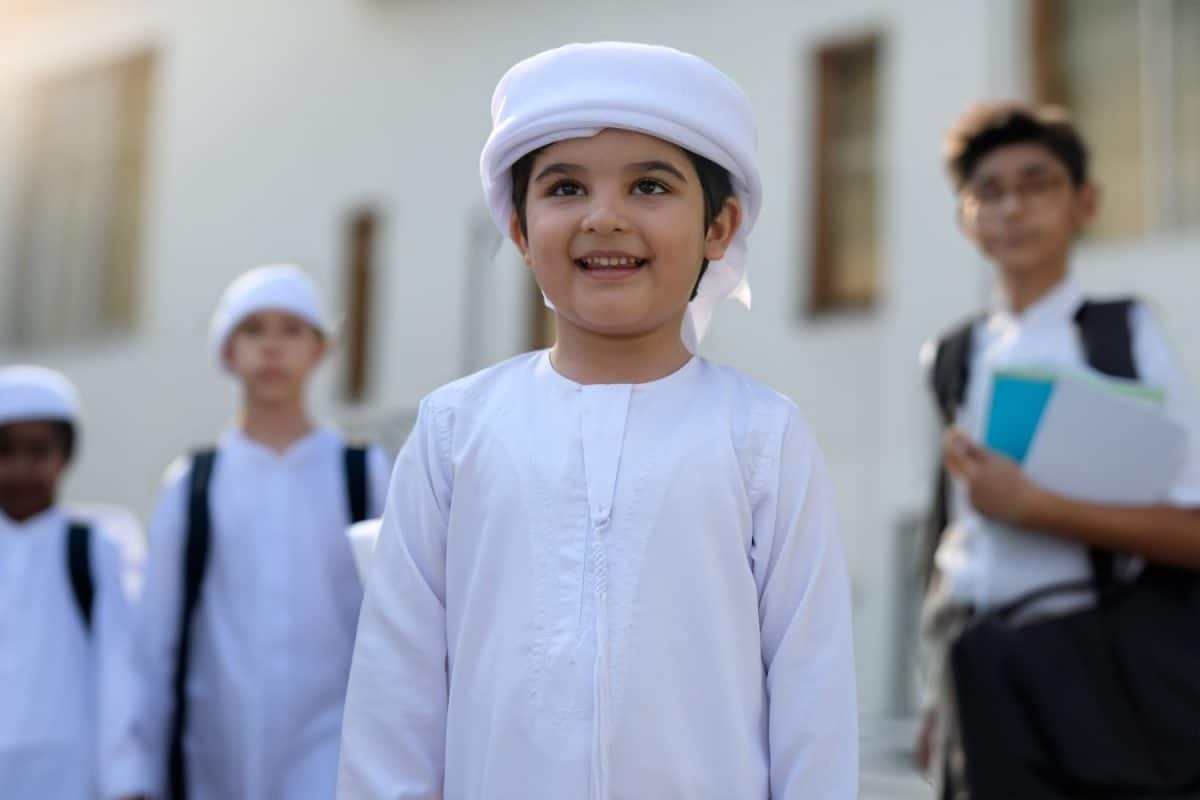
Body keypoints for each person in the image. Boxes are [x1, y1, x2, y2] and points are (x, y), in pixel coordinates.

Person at [337, 42, 858, 799]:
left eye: (650, 186)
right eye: (566, 188)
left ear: (720, 226)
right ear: (518, 228)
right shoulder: (455, 432)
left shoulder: (764, 438)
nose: (604, 218)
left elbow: (814, 701)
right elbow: (395, 693)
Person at [916, 102, 1200, 798]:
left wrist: (1034, 506)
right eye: (989, 190)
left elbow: (1191, 530)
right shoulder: (951, 355)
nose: (1012, 207)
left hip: (1098, 674)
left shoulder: (1123, 336)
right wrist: (932, 693)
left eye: (1037, 183)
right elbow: (953, 537)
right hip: (976, 670)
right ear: (966, 218)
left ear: (1086, 202)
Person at [130, 264, 390, 799]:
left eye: (292, 329)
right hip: (216, 745)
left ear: (320, 349)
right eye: (255, 330)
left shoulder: (362, 471)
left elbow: (398, 617)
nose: (272, 346)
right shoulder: (192, 483)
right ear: (227, 350)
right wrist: (137, 771)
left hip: (336, 740)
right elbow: (156, 639)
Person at [0, 365, 145, 799]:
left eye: (40, 451)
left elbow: (119, 670)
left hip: (71, 774)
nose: (22, 467)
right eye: (5, 451)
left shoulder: (96, 546)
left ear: (65, 456)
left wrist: (127, 778)